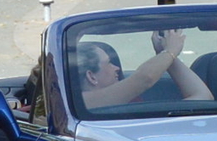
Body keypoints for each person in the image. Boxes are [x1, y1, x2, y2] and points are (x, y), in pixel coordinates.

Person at [74, 30, 208, 107]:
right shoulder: (82, 103)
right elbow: (144, 79)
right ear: (91, 76)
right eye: (108, 63)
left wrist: (166, 55)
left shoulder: (130, 103)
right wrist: (171, 51)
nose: (116, 68)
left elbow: (204, 98)